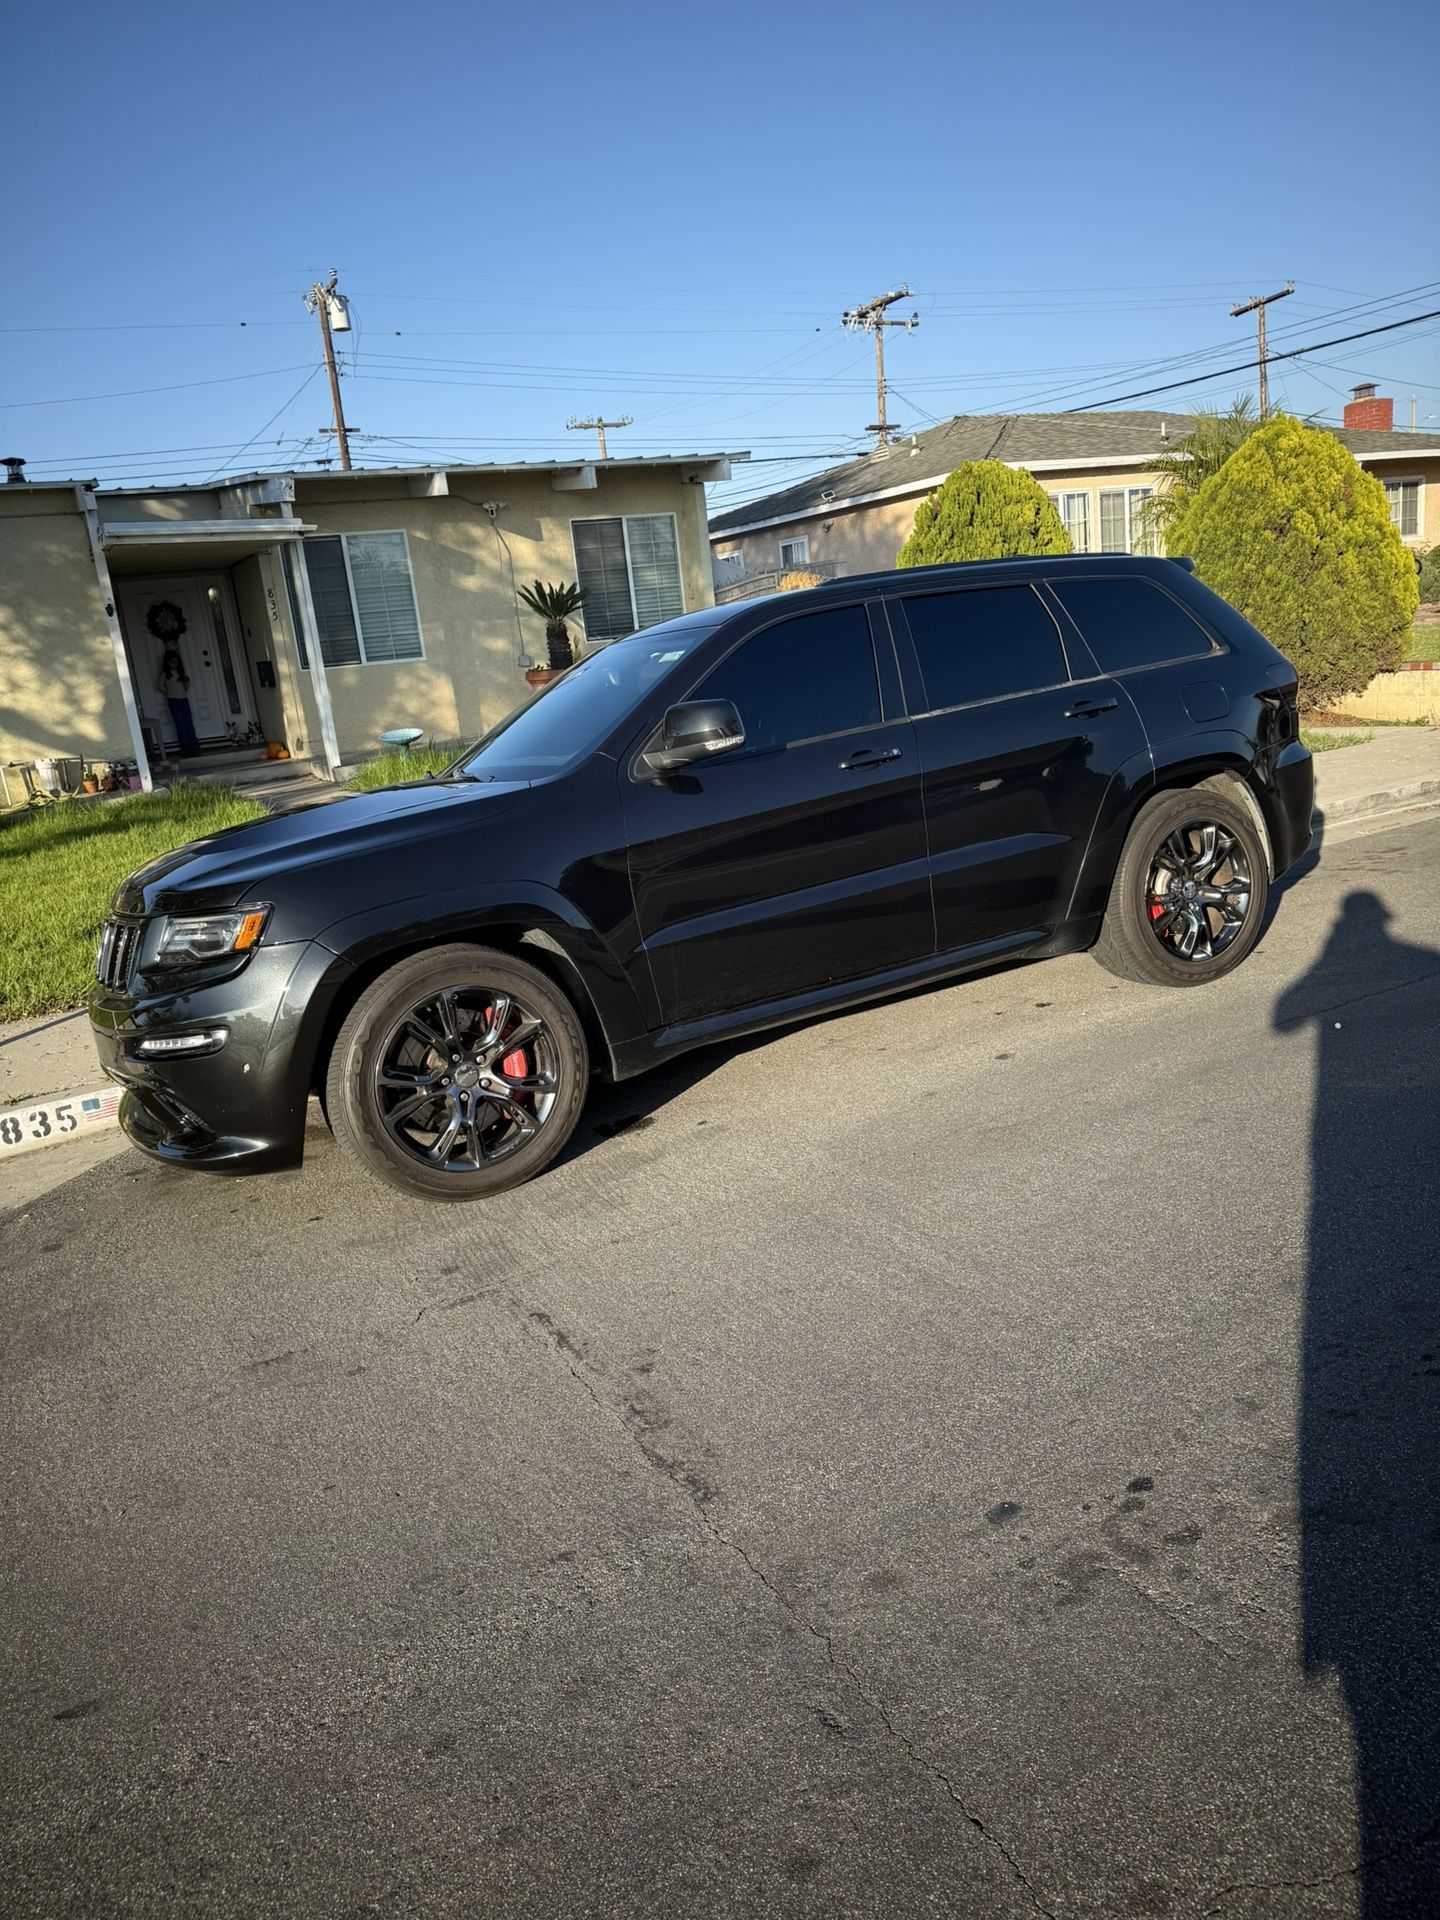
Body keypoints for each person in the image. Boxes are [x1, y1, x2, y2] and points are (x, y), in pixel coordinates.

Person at [159, 644, 199, 754]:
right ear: (167, 663)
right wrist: (167, 693)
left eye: (176, 662)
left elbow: (186, 687)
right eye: (172, 662)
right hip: (173, 700)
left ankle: (194, 744)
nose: (174, 664)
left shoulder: (181, 674)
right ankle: (185, 746)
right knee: (180, 723)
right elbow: (160, 685)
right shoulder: (165, 675)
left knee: (188, 721)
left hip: (183, 699)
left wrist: (186, 682)